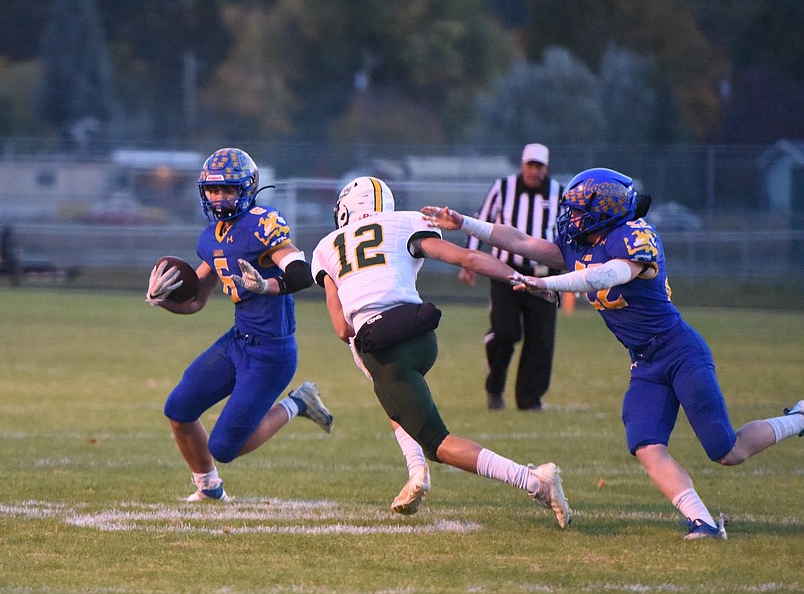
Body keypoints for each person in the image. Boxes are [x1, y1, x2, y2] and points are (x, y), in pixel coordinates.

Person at [423, 168, 804, 540]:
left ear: (603, 210)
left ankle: (798, 419)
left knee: (726, 450)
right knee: (645, 442)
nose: (570, 218)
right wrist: (467, 223)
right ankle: (702, 523)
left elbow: (605, 276)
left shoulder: (635, 236)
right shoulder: (581, 242)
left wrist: (543, 281)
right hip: (645, 362)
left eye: (577, 210)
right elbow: (521, 241)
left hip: (679, 350)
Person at [310, 176, 572, 528]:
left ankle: (533, 482)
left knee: (437, 442)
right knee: (396, 397)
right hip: (421, 334)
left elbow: (342, 329)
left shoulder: (327, 246)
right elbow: (467, 257)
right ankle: (416, 471)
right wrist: (522, 281)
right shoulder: (405, 223)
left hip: (385, 347)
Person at [145, 147, 333, 502]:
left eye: (228, 189)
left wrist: (266, 285)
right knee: (178, 410)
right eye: (214, 190)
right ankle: (208, 487)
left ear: (246, 188)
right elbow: (196, 301)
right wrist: (163, 299)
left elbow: (301, 274)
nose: (219, 197)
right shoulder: (211, 237)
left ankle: (298, 402)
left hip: (271, 352)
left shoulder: (262, 224)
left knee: (225, 446)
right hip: (237, 342)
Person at [461, 143, 563, 411]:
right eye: (530, 165)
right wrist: (469, 261)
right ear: (522, 165)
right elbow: (481, 222)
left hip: (544, 277)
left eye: (539, 166)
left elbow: (567, 235)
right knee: (505, 333)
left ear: (546, 168)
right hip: (506, 273)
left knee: (541, 340)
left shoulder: (559, 194)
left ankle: (530, 400)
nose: (534, 171)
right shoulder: (502, 188)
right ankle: (495, 388)